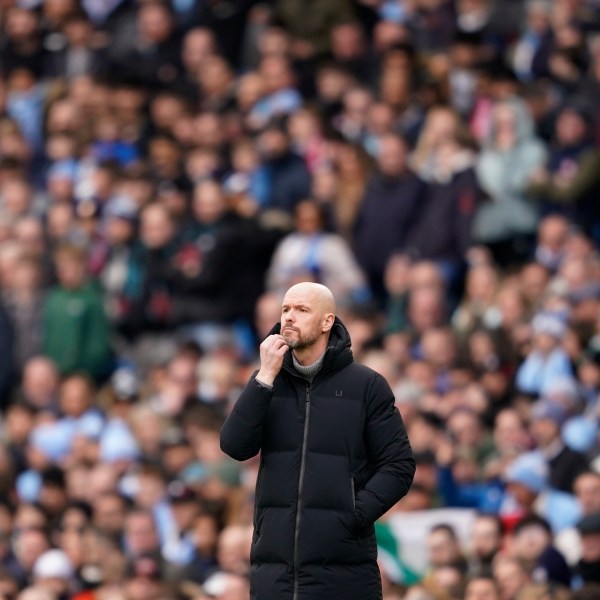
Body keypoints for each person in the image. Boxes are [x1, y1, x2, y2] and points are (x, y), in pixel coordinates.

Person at [220, 281, 415, 599]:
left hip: (343, 571)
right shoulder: (267, 381)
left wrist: (351, 515)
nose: (289, 317)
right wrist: (264, 377)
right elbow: (235, 447)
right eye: (285, 309)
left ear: (328, 322)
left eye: (301, 309)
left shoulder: (366, 385)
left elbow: (399, 466)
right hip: (274, 571)